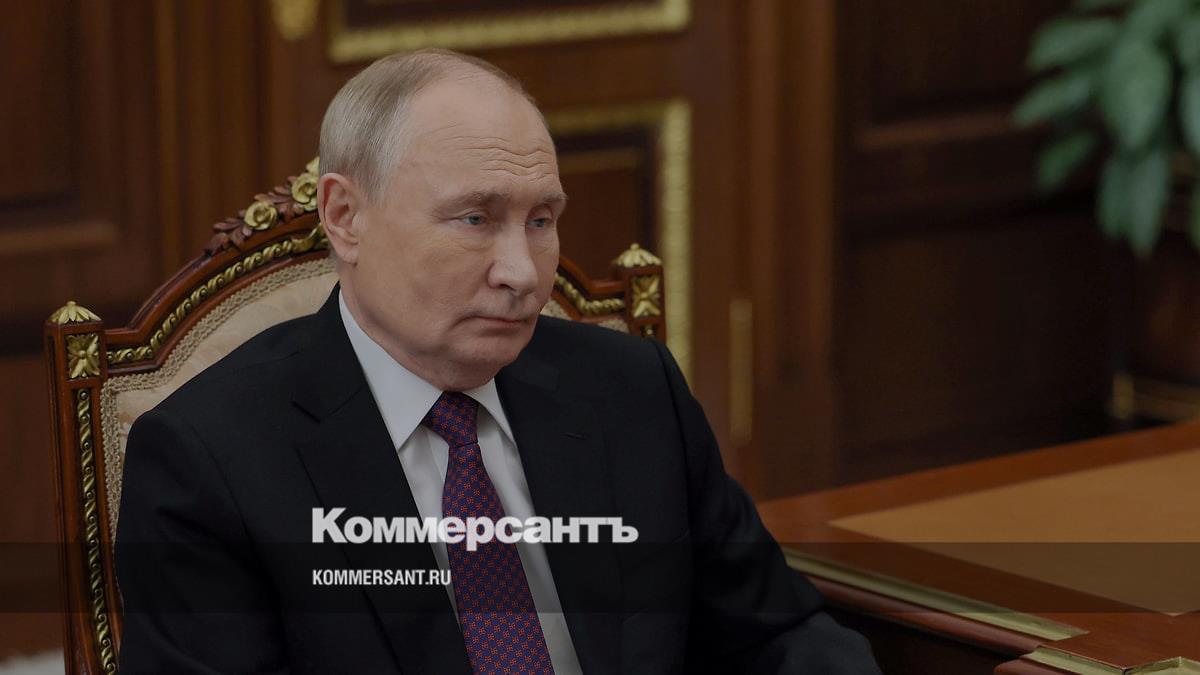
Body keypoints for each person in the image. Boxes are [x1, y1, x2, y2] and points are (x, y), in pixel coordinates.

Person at [115, 49, 880, 674]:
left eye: (541, 220)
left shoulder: (631, 390)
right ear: (345, 216)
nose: (522, 273)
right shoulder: (209, 462)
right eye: (476, 218)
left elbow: (778, 634)